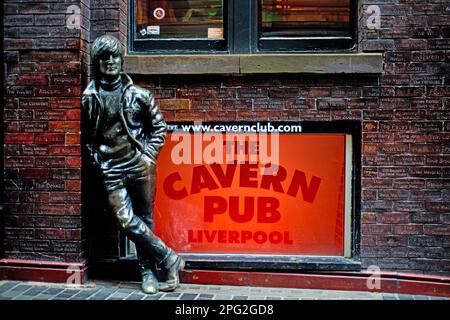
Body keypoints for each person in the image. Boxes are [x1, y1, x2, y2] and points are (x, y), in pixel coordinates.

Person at [82, 35, 184, 294]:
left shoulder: (140, 95)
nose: (110, 61)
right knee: (126, 220)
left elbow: (160, 127)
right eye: (104, 58)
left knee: (145, 219)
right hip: (112, 170)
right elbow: (86, 138)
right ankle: (170, 258)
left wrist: (148, 156)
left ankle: (148, 272)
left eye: (115, 56)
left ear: (121, 59)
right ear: (97, 62)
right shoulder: (90, 97)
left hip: (140, 166)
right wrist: (99, 160)